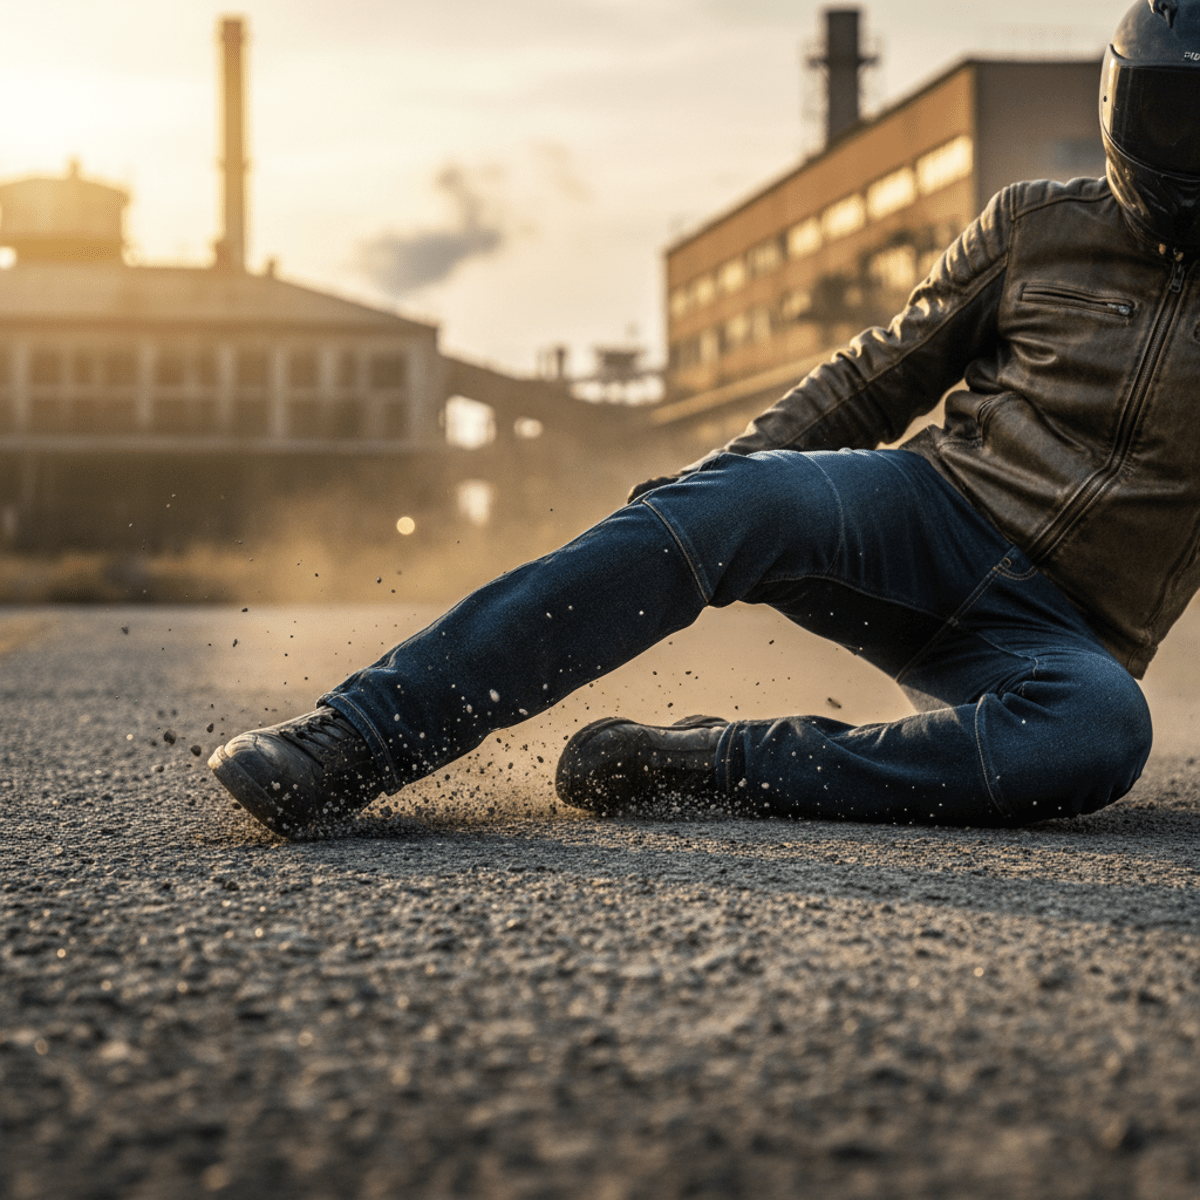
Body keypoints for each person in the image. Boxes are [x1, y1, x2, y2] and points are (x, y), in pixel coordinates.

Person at [210, 0, 1198, 838]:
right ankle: (356, 737)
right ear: (1124, 102)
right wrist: (718, 490)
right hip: (923, 514)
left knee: (1097, 734)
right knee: (733, 502)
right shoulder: (1037, 224)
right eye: (1180, 113)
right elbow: (872, 380)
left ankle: (711, 765)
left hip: (1063, 633)